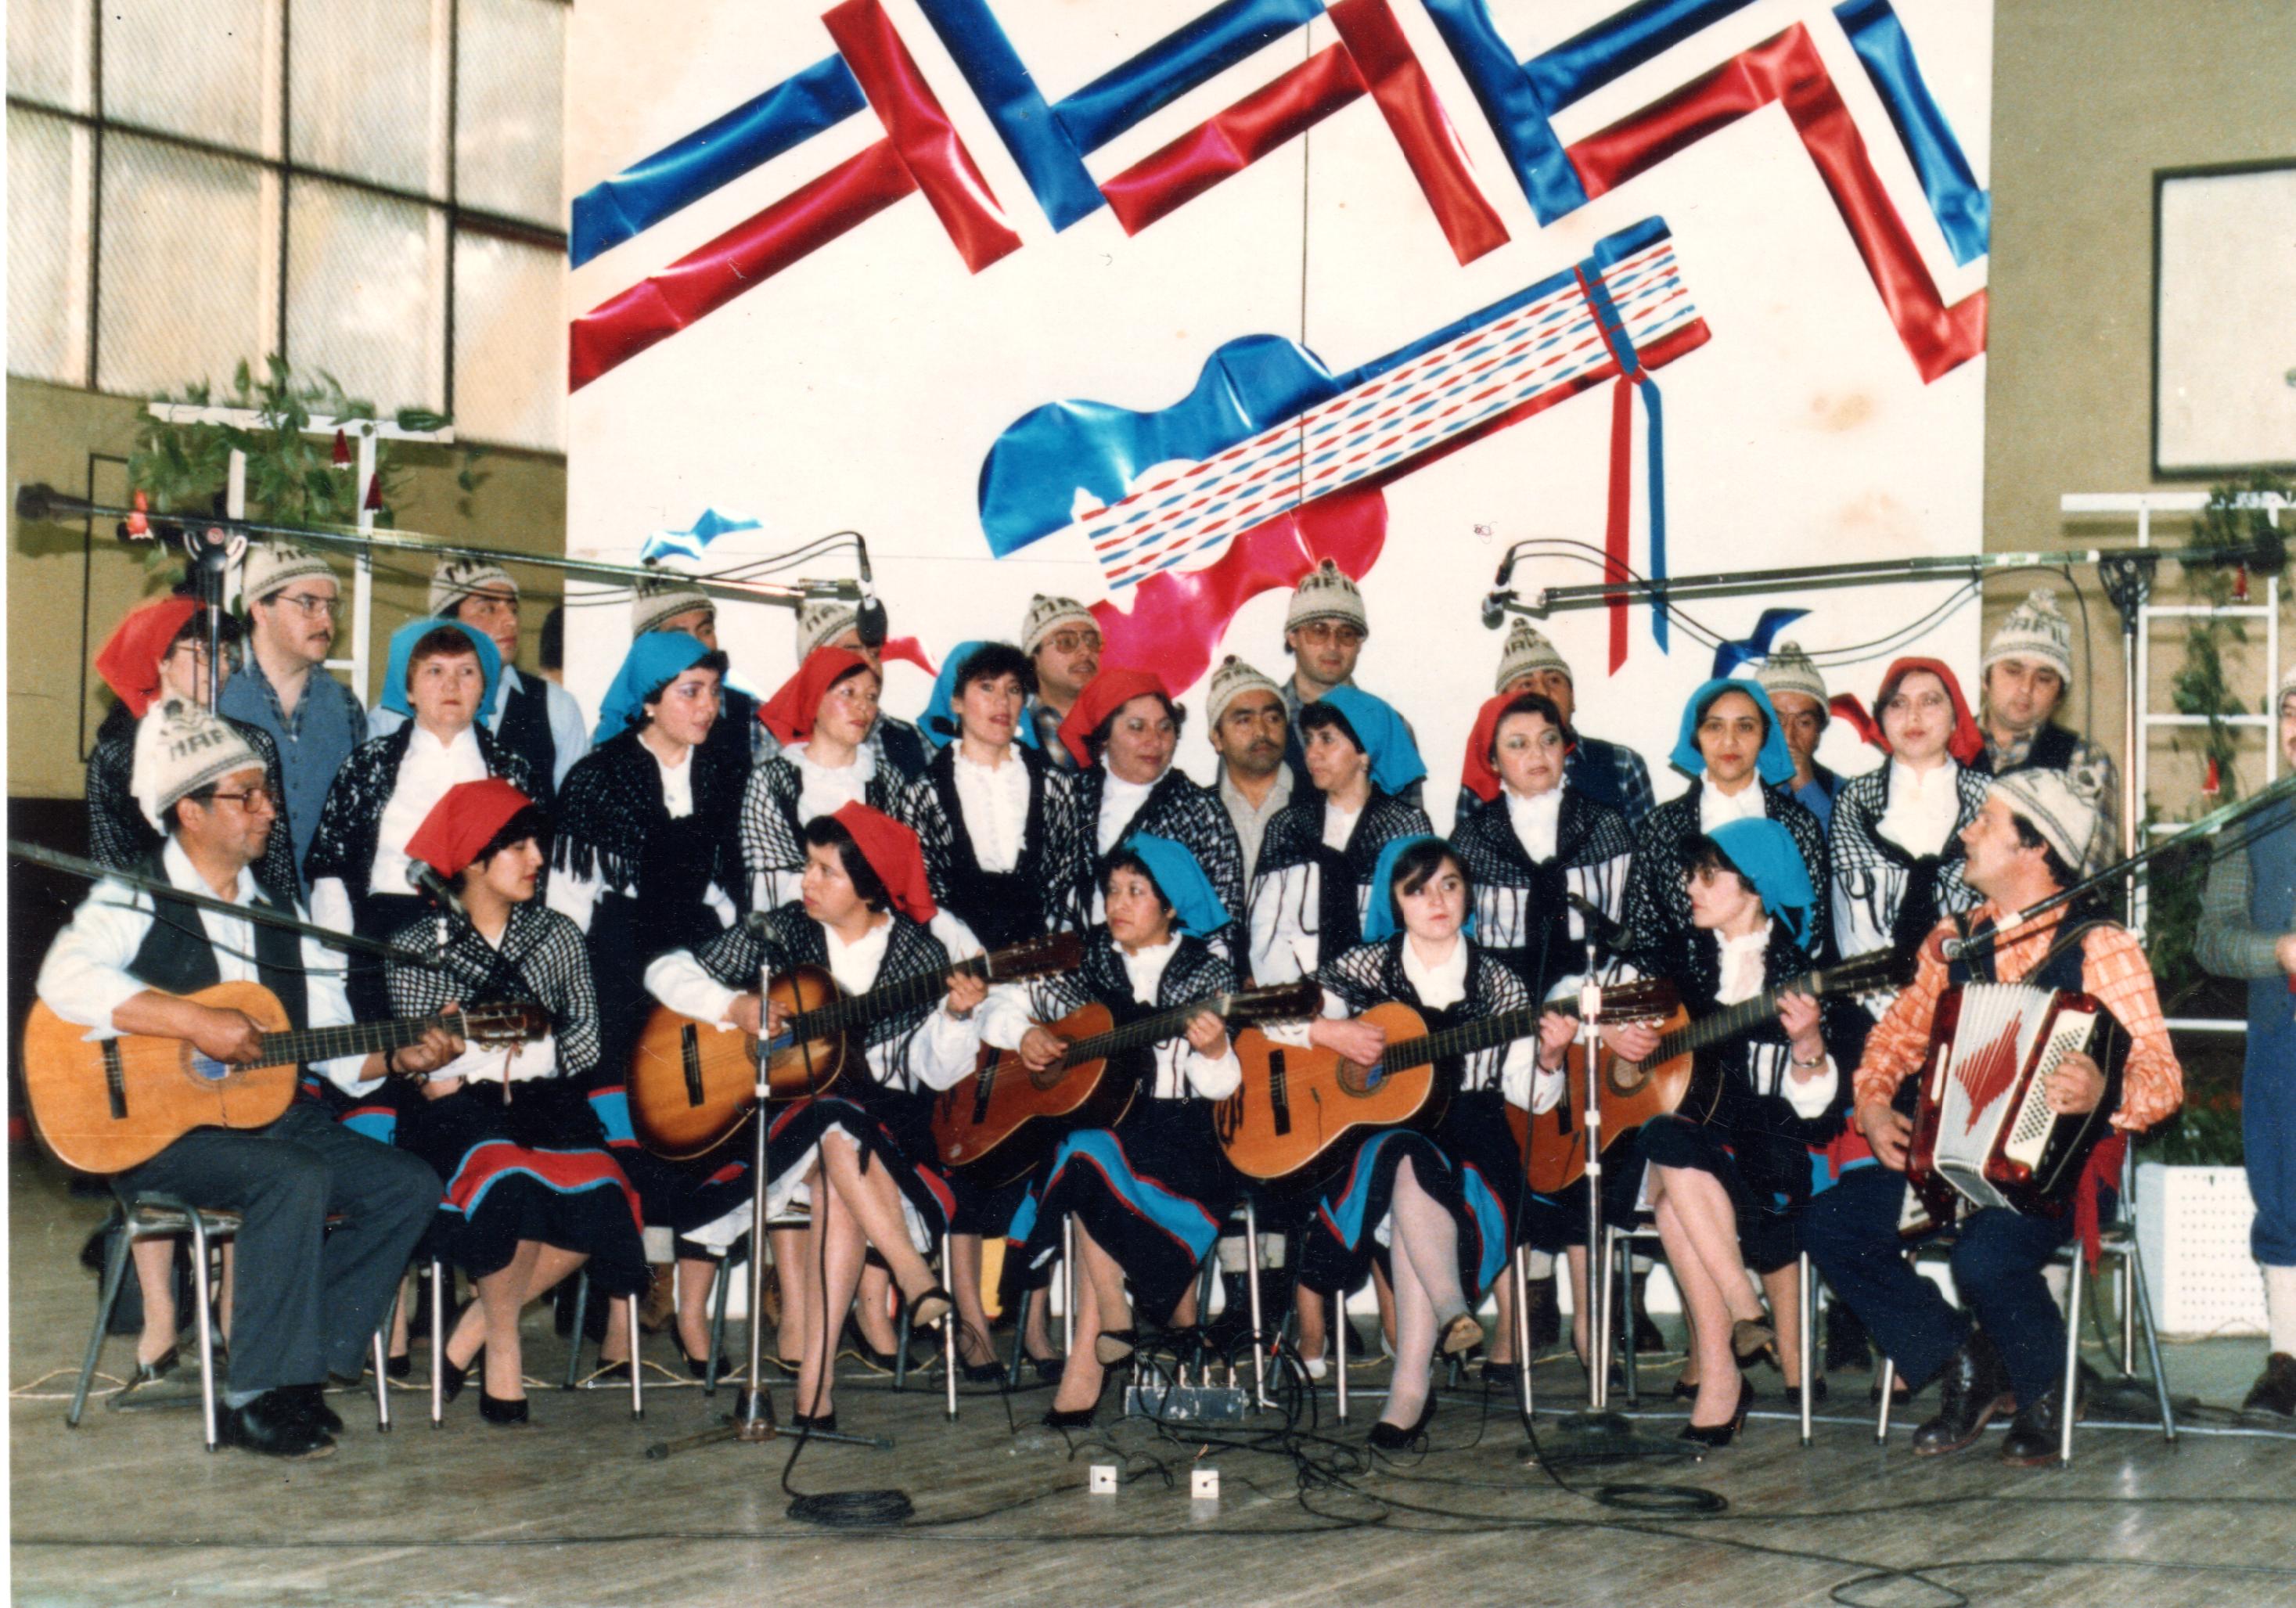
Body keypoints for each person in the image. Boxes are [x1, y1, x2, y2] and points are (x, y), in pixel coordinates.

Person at [35, 698, 452, 1457]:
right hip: (155, 1133)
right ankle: (256, 1393)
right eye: (246, 796)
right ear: (189, 811)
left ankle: (302, 1370)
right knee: (288, 1176)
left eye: (266, 794)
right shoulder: (133, 898)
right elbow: (64, 978)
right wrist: (193, 1022)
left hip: (263, 1123)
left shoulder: (283, 918)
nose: (267, 810)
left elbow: (325, 1043)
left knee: (407, 1185)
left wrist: (396, 1056)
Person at [1801, 768, 2183, 1467]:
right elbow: (1892, 1041)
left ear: (2034, 847)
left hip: (2063, 1169)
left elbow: (2162, 1076)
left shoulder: (2103, 947)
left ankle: (2046, 1387)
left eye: (1987, 821)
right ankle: (1967, 1358)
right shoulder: (1951, 944)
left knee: (1987, 1255)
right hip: (1954, 1162)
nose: (1968, 830)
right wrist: (1874, 1100)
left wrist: (2103, 1083)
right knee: (1833, 1223)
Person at [644, 805, 980, 1431]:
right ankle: (912, 1270)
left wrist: (958, 1017)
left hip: (878, 1132)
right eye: (808, 864)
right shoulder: (782, 931)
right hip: (782, 1128)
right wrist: (734, 1003)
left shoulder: (917, 954)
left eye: (825, 870)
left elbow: (931, 1075)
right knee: (829, 1118)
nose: (807, 881)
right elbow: (663, 970)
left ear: (870, 884)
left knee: (837, 1155)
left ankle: (815, 1391)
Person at [1262, 836, 1560, 1447]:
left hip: (1478, 1141)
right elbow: (1265, 1013)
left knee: (1408, 1169)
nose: (1436, 900)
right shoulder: (1367, 967)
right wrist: (1328, 1029)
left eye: (1450, 884)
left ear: (1468, 894)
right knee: (1401, 1152)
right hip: (1382, 1140)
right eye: (1417, 889)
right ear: (1396, 902)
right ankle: (1450, 1315)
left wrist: (1552, 1057)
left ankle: (1410, 1388)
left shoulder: (1500, 982)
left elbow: (1529, 1096)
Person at [382, 779, 650, 1424]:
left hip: (546, 1099)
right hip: (455, 1111)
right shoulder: (418, 944)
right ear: (473, 858)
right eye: (518, 846)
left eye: (538, 843)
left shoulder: (556, 934)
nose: (537, 858)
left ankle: (469, 1333)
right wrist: (490, 1047)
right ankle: (503, 1353)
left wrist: (515, 1048)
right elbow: (431, 1072)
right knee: (508, 1184)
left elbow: (583, 1039)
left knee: (604, 1193)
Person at [1601, 821, 1866, 1443]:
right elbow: (1592, 1011)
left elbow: (1819, 1113)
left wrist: (1807, 1045)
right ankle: (1744, 1312)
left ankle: (1724, 1373)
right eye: (1691, 874)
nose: (1690, 886)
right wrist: (1614, 1034)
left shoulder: (1805, 976)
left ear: (1755, 887)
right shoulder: (1679, 963)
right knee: (1666, 1139)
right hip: (1696, 1152)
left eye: (1707, 875)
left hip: (1769, 1161)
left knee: (1669, 1186)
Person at [987, 837, 1247, 1430]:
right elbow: (999, 1002)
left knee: (1083, 1160)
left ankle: (1103, 1335)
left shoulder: (1206, 972)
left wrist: (1214, 1048)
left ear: (1172, 905)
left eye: (1136, 891)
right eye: (1111, 890)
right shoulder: (1089, 960)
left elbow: (1222, 1086)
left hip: (1187, 1139)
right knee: (1085, 1151)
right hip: (1111, 1131)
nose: (1117, 903)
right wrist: (1024, 1032)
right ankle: (1112, 1316)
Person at [549, 631, 753, 1373]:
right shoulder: (597, 778)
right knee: (625, 1147)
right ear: (649, 698)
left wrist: (730, 979)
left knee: (705, 1134)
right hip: (613, 974)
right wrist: (571, 1001)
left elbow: (736, 896)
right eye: (690, 691)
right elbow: (568, 907)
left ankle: (693, 1314)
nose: (707, 706)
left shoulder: (731, 774)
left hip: (700, 972)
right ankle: (621, 1319)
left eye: (713, 692)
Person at [899, 640, 1084, 1381]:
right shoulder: (920, 788)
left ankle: (1034, 1317)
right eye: (986, 689)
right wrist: (977, 973)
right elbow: (922, 898)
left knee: (1046, 1134)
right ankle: (971, 1320)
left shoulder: (1058, 786)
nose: (1002, 703)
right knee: (965, 1140)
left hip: (1039, 979)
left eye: (1014, 690)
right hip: (961, 981)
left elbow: (1069, 892)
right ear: (956, 701)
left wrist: (1035, 987)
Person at [1450, 689, 1636, 1373]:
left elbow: (1630, 931)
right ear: (1493, 760)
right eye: (1517, 743)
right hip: (1505, 1017)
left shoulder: (1608, 823)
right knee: (1506, 1148)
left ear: (1568, 748)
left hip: (1593, 1010)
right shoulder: (1473, 838)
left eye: (1548, 740)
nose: (1536, 754)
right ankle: (1514, 1323)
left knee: (1590, 1150)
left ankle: (1592, 1323)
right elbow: (1463, 945)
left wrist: (1590, 1004)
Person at [305, 620, 529, 1019]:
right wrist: (336, 967)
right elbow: (332, 873)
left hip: (483, 938)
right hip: (385, 938)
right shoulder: (368, 765)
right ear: (408, 689)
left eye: (466, 672)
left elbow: (530, 874)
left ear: (484, 689)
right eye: (434, 671)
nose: (451, 686)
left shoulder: (510, 770)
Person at [2194, 664, 2296, 1418]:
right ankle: (2288, 1360)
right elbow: (2213, 939)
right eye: (2291, 709)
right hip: (2282, 1041)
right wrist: (2278, 953)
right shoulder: (2249, 823)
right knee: (2285, 1195)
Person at [88, 595, 296, 898]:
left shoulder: (251, 743)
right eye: (205, 652)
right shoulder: (117, 754)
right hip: (150, 919)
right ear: (162, 659)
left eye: (227, 654)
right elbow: (110, 870)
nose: (222, 666)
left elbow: (276, 864)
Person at [1621, 679, 1832, 969]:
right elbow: (1642, 927)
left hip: (1775, 997)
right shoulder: (1663, 825)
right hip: (1687, 1004)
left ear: (1764, 736)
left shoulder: (1797, 824)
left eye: (1745, 727)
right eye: (1715, 727)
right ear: (1696, 736)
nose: (1729, 742)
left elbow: (1813, 923)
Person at [1248, 686, 1433, 985]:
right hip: (1297, 1000)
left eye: (1327, 739)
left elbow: (1415, 929)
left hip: (1383, 996)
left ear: (1364, 753)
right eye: (1308, 740)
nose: (1312, 753)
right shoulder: (1289, 826)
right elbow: (1265, 932)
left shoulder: (1404, 826)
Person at [368, 559, 589, 805]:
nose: (510, 621)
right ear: (447, 623)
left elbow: (575, 818)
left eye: (513, 609)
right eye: (489, 609)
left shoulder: (557, 707)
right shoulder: (393, 715)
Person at [1056, 668, 1247, 951]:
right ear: (1105, 736)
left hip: (1170, 976)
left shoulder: (1199, 810)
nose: (1155, 741)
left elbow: (1224, 921)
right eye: (1137, 726)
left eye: (1165, 727)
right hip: (1071, 970)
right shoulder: (1071, 796)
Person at [218, 541, 369, 893]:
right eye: (308, 604)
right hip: (233, 908)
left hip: (325, 915)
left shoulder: (345, 707)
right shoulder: (217, 693)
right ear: (260, 608)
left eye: (331, 606)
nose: (326, 620)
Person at [1829, 659, 1990, 965]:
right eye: (1898, 704)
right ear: (1882, 718)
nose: (1913, 716)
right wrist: (1893, 1009)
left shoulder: (1990, 800)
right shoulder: (1855, 801)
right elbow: (1852, 919)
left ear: (1956, 718)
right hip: (1873, 992)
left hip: (1974, 986)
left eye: (1930, 702)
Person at [740, 647, 908, 914]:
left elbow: (905, 873)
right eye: (848, 693)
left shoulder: (888, 780)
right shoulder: (771, 780)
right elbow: (770, 883)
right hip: (796, 926)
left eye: (871, 696)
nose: (863, 706)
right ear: (814, 701)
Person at [1974, 588, 2119, 874]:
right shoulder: (1944, 744)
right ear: (1986, 679)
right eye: (2013, 671)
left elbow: (2090, 879)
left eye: (2044, 678)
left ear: (2059, 698)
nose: (2026, 688)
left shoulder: (2086, 761)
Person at [1468, 620, 1654, 828]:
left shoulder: (1622, 763)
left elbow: (1647, 856)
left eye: (1554, 680)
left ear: (1573, 698)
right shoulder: (1483, 777)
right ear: (1503, 707)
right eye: (1527, 684)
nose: (1544, 692)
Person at [1276, 560, 1417, 801]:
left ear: (1360, 644)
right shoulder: (1264, 720)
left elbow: (1410, 831)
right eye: (1319, 630)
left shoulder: (1387, 726)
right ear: (1293, 637)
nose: (1333, 646)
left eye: (1346, 634)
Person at [632, 571, 767, 765]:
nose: (697, 645)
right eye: (679, 635)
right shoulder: (617, 729)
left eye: (705, 631)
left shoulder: (752, 716)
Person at [790, 601, 930, 783]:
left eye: (874, 654)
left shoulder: (912, 739)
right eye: (852, 652)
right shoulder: (781, 747)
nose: (871, 665)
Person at [1204, 655, 1294, 883]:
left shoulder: (1319, 803)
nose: (1261, 732)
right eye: (1244, 720)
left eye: (1273, 718)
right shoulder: (1197, 812)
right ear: (1217, 738)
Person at [1758, 642, 1851, 833]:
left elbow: (1848, 855)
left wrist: (1807, 788)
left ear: (1818, 734)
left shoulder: (1846, 794)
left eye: (1804, 723)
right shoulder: (1732, 783)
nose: (1789, 736)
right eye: (1777, 720)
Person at [1020, 595, 1100, 769]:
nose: (1085, 651)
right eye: (1066, 642)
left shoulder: (1122, 721)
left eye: (1092, 641)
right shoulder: (1014, 730)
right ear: (1035, 660)